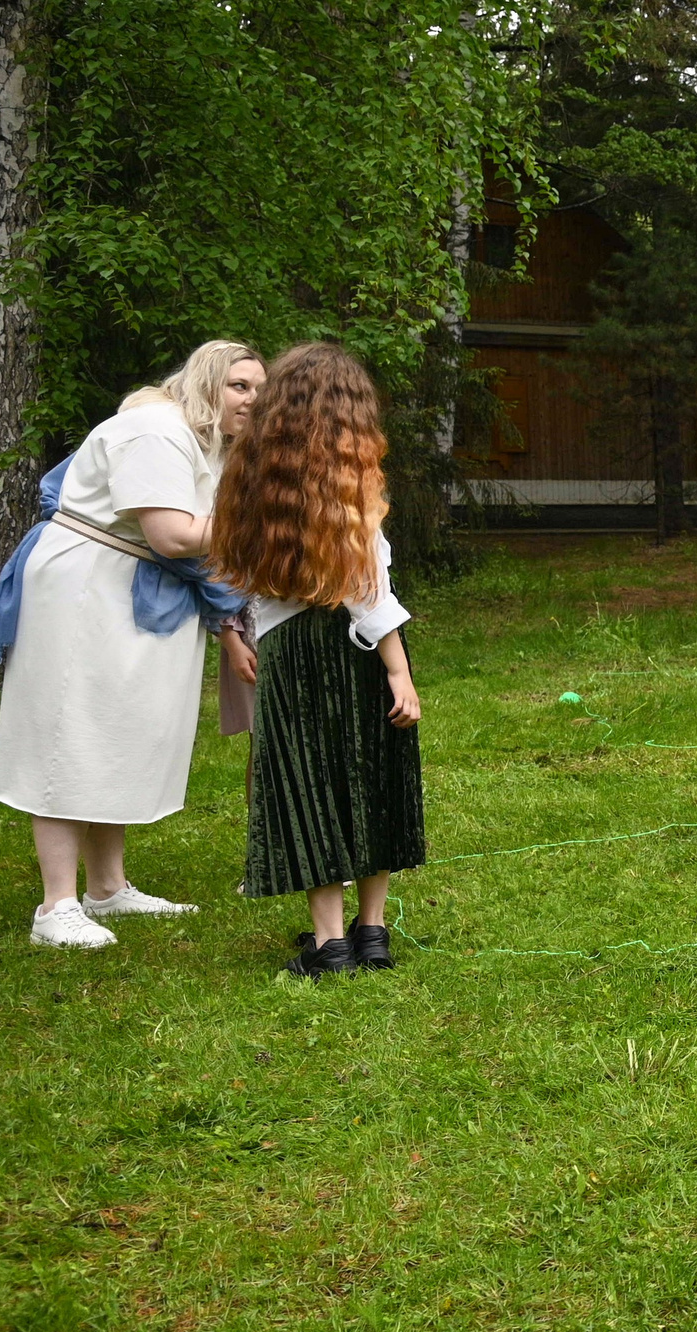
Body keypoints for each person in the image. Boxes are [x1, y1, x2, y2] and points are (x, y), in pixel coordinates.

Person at [0, 339, 263, 948]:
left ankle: (107, 888)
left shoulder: (203, 442)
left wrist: (225, 618)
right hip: (87, 588)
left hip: (129, 584)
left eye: (259, 390)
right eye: (239, 386)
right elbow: (171, 535)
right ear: (207, 383)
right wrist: (269, 522)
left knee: (116, 728)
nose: (253, 399)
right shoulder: (155, 431)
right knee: (71, 728)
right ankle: (55, 905)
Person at [211, 345, 423, 978]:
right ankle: (373, 932)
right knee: (373, 775)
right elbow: (369, 588)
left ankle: (330, 943)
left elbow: (245, 577)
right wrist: (397, 668)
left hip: (287, 652)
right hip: (358, 649)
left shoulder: (248, 478)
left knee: (308, 782)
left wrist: (241, 630)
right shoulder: (349, 483)